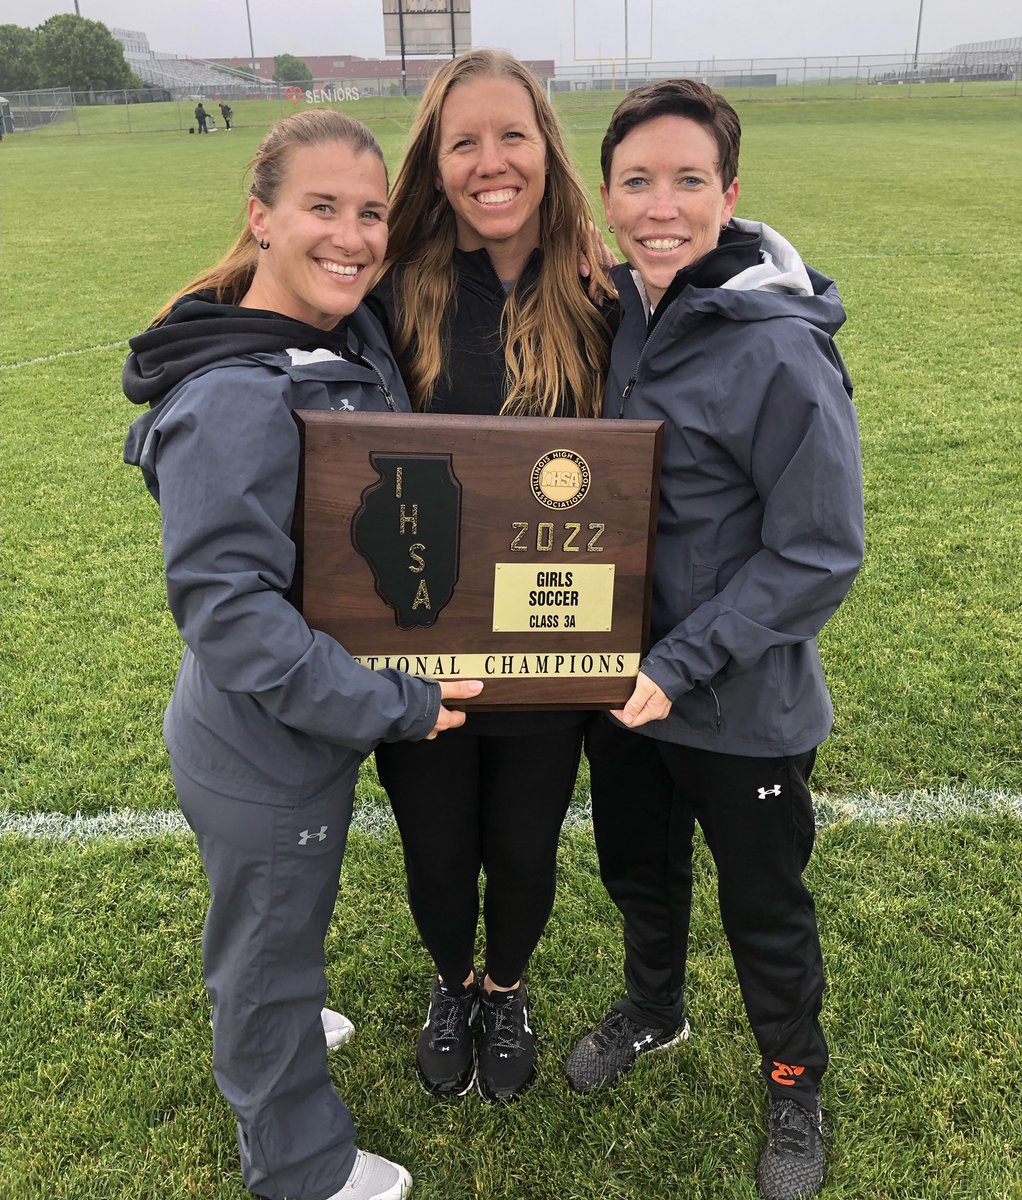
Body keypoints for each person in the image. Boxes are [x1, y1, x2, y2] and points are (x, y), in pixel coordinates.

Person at [122, 108, 483, 1200]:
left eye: (369, 212)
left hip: (290, 730)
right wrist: (398, 705)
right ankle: (300, 1167)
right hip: (263, 742)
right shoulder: (235, 394)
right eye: (320, 208)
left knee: (278, 919)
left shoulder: (340, 332)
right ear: (260, 217)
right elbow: (230, 616)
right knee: (266, 952)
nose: (353, 236)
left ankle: (276, 1011)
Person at [563, 79, 864, 1200]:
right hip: (618, 687)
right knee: (637, 869)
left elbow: (818, 550)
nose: (660, 205)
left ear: (729, 193)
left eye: (687, 180)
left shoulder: (777, 351)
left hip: (735, 703)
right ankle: (654, 1008)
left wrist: (679, 664)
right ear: (605, 197)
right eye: (636, 181)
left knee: (763, 909)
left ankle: (792, 1081)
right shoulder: (615, 312)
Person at [369, 49, 614, 1104]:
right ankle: (449, 983)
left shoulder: (599, 291)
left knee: (521, 850)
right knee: (434, 855)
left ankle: (503, 987)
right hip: (417, 638)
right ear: (434, 158)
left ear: (544, 148)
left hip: (548, 639)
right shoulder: (389, 286)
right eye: (462, 140)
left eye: (510, 134)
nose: (489, 161)